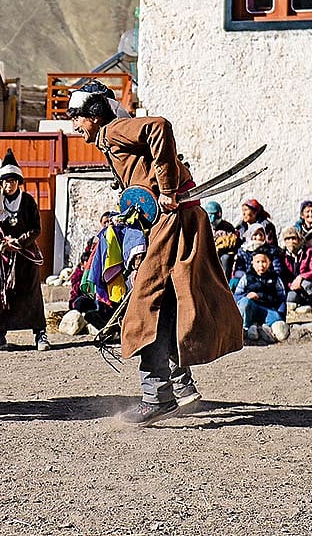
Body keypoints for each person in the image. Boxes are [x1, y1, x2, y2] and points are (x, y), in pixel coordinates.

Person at [68, 81, 242, 427]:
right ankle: (180, 385)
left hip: (172, 220)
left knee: (146, 303)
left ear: (95, 114)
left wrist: (165, 188)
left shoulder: (115, 129)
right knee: (173, 302)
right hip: (172, 220)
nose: (73, 124)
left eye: (77, 116)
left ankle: (156, 397)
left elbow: (159, 127)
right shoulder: (110, 139)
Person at [0, 149, 49, 351]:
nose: (8, 185)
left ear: (19, 182)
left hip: (25, 256)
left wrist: (18, 242)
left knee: (31, 294)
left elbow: (36, 228)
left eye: (12, 181)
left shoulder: (27, 202)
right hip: (2, 257)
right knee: (0, 293)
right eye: (5, 181)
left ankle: (40, 334)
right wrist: (1, 244)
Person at [233, 246, 287, 344]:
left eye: (264, 262)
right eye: (258, 262)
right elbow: (236, 296)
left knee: (277, 319)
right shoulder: (246, 277)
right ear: (252, 263)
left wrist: (281, 315)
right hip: (251, 308)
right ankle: (245, 329)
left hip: (267, 310)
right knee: (244, 302)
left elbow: (282, 298)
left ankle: (260, 326)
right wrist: (247, 296)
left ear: (269, 263)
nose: (261, 265)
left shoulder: (275, 279)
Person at [281, 225, 312, 304]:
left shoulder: (309, 252)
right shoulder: (282, 256)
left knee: (306, 284)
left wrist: (301, 277)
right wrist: (292, 285)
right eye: (287, 239)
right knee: (291, 298)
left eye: (293, 238)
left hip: (308, 284)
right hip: (292, 287)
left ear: (299, 239)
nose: (291, 241)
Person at [229, 222, 282, 286]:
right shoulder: (243, 250)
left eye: (261, 235)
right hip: (246, 279)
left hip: (266, 280)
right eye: (255, 234)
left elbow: (277, 269)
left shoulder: (271, 250)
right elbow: (238, 270)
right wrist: (249, 277)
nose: (258, 237)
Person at [204, 201, 239, 279]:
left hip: (221, 255)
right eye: (210, 215)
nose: (212, 219)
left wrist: (220, 245)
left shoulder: (227, 227)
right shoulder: (203, 226)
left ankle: (225, 281)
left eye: (215, 215)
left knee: (226, 259)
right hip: (206, 254)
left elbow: (232, 243)